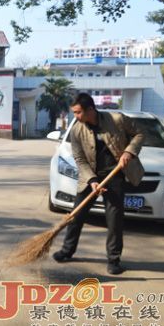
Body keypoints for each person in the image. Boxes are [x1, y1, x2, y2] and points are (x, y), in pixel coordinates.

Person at [52, 93, 144, 275]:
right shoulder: (77, 130)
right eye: (74, 113)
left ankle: (114, 260)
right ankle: (67, 250)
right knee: (76, 215)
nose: (76, 117)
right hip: (90, 176)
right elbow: (79, 158)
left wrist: (129, 151)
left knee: (114, 220)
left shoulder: (117, 119)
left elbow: (140, 133)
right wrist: (93, 181)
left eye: (78, 112)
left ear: (90, 110)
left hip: (114, 174)